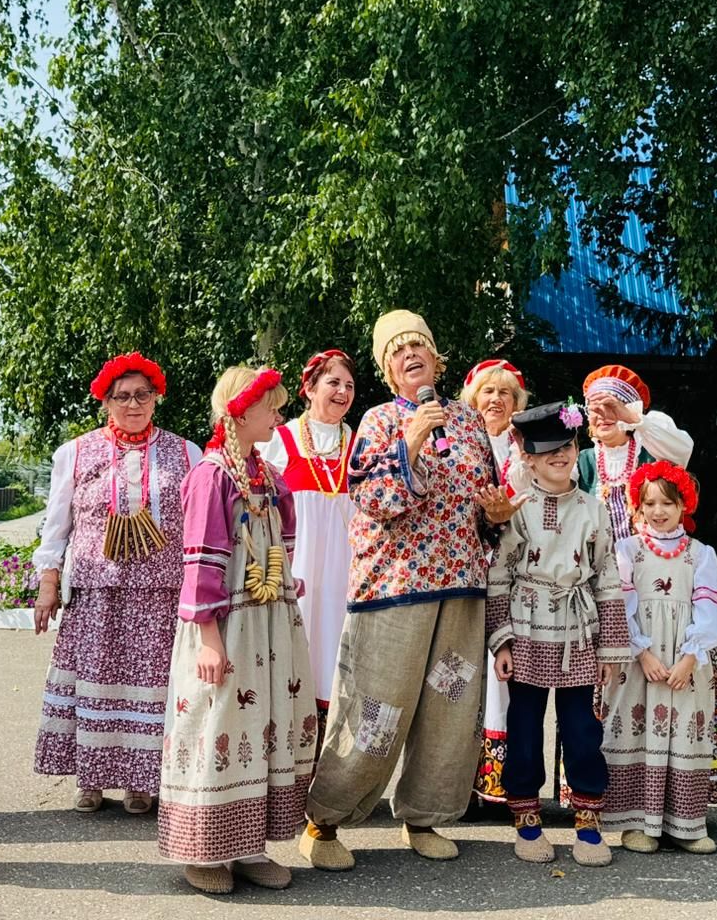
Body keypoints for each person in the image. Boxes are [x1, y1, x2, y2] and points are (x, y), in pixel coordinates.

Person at [302, 309, 502, 871]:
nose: (411, 355)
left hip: (461, 588)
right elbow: (372, 500)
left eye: (420, 346)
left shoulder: (466, 422)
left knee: (449, 707)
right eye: (398, 351)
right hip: (393, 589)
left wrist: (496, 514)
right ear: (390, 372)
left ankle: (423, 816)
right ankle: (324, 820)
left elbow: (484, 507)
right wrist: (410, 444)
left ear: (438, 360)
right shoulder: (379, 420)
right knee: (376, 706)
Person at [157, 366, 316, 895]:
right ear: (241, 412)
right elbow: (201, 561)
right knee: (219, 719)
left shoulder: (267, 476)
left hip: (267, 620)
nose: (279, 415)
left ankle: (249, 845)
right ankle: (205, 850)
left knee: (263, 721)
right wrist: (207, 636)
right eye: (271, 406)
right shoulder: (211, 476)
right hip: (228, 622)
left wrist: (283, 582)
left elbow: (281, 540)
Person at [32, 353, 201, 813]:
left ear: (156, 399)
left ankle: (141, 782)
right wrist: (49, 582)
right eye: (122, 396)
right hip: (97, 593)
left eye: (142, 395)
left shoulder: (187, 453)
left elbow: (199, 524)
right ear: (106, 401)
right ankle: (91, 779)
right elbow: (56, 525)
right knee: (95, 682)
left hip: (159, 595)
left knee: (148, 687)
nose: (133, 404)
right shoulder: (75, 452)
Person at [573, 364, 717, 808]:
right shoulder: (580, 460)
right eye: (595, 409)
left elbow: (683, 447)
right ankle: (606, 799)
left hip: (661, 591)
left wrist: (632, 417)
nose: (602, 416)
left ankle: (673, 802)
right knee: (611, 700)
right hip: (598, 593)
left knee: (672, 699)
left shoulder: (651, 450)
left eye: (611, 407)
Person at [486, 401, 628, 867]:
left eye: (566, 447)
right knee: (524, 727)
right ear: (528, 457)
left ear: (576, 447)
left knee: (583, 728)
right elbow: (499, 576)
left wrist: (611, 648)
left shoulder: (594, 508)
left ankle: (587, 816)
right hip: (527, 627)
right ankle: (526, 815)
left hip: (579, 630)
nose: (560, 457)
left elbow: (606, 577)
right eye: (548, 452)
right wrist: (501, 640)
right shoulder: (518, 509)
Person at [602, 460, 717, 855]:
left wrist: (692, 656)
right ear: (637, 508)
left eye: (667, 503)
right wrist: (641, 651)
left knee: (684, 733)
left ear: (683, 506)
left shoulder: (700, 554)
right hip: (642, 660)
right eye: (650, 503)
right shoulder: (627, 550)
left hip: (684, 662)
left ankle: (686, 824)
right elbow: (620, 606)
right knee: (637, 732)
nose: (659, 511)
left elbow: (711, 611)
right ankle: (636, 824)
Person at [259, 349, 357, 753]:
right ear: (309, 388)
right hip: (295, 570)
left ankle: (332, 771)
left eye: (349, 385)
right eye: (333, 382)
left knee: (339, 658)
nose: (342, 392)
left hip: (346, 573)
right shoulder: (280, 441)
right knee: (293, 654)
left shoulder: (361, 440)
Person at [459, 357, 530, 808]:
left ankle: (502, 787)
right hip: (464, 570)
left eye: (505, 393)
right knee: (458, 672)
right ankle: (455, 785)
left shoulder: (527, 451)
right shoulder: (459, 444)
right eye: (488, 391)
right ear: (473, 399)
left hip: (513, 575)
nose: (496, 400)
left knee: (504, 677)